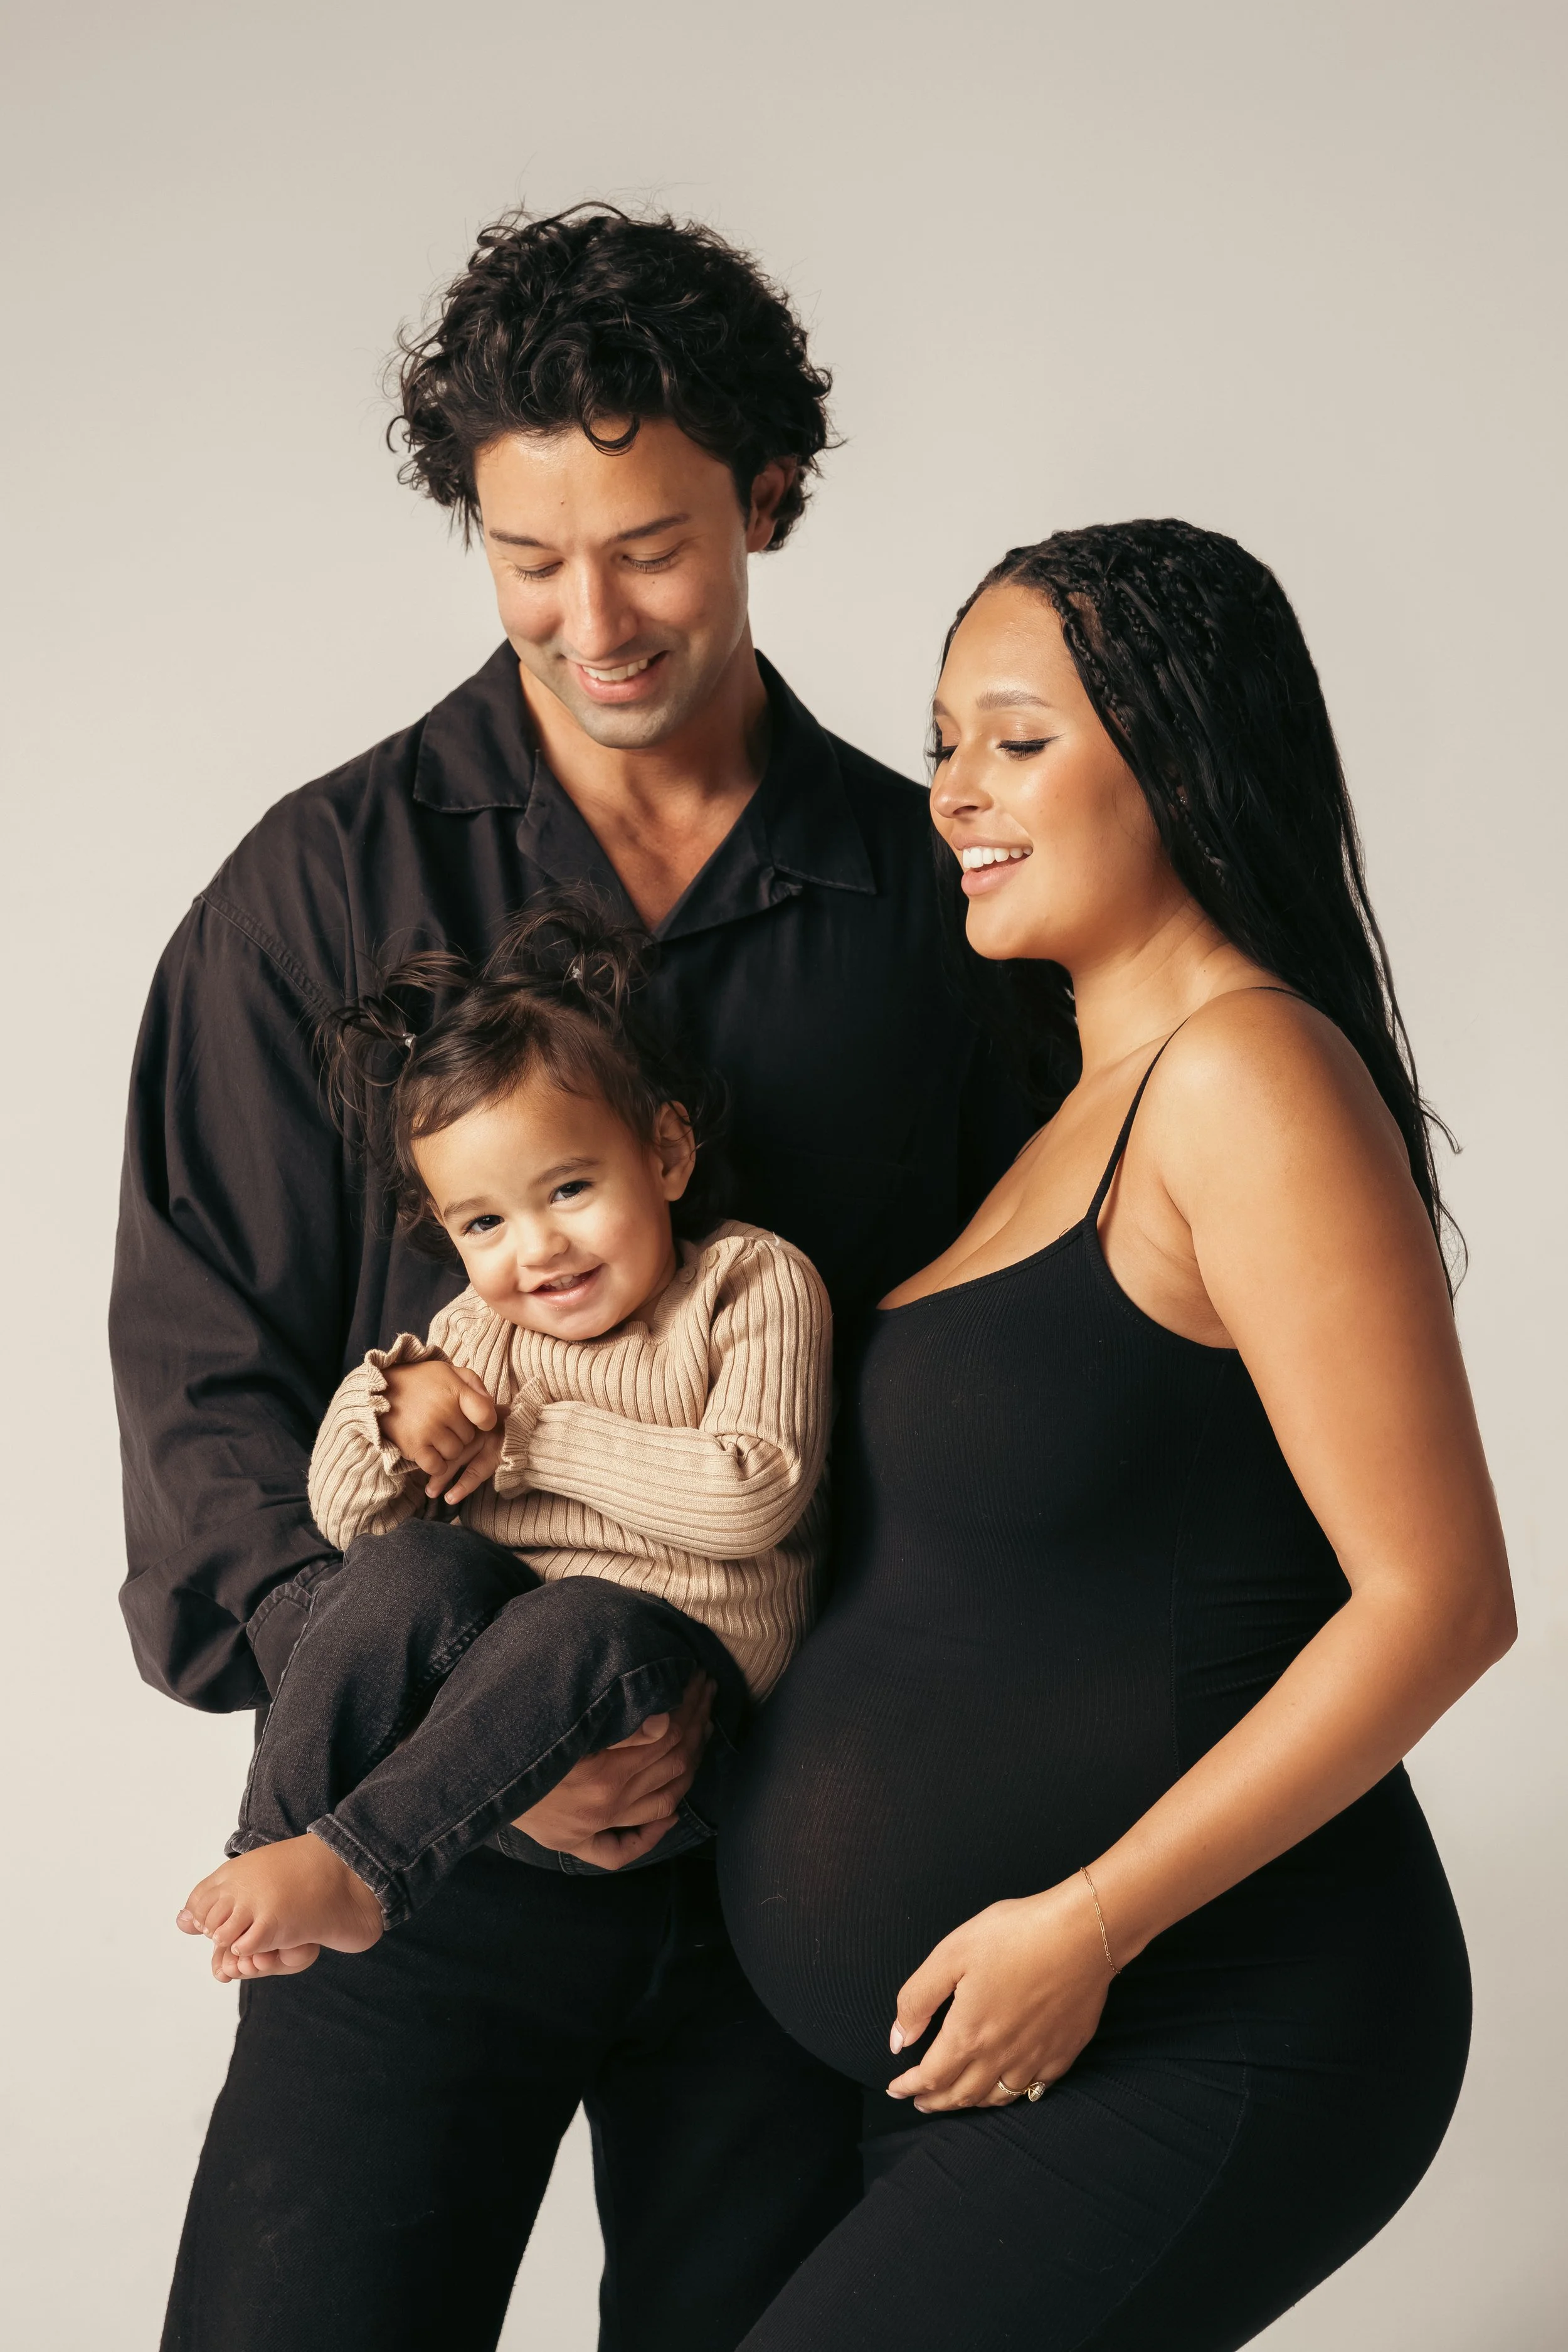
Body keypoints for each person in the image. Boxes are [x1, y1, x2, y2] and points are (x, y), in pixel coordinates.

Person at [110, 204, 1030, 2352]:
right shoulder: (310, 894)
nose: (590, 619)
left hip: (806, 1865)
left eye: (651, 549)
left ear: (768, 501)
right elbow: (201, 1389)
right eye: (530, 559)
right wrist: (467, 1726)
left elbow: (1033, 1371)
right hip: (405, 1854)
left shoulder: (940, 907)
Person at [719, 519, 1516, 2350]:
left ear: (1175, 755)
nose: (952, 792)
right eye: (939, 743)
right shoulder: (1067, 1107)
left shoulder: (1245, 1073)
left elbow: (1438, 1601)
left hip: (1202, 2011)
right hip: (1001, 2042)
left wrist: (1086, 1923)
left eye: (1015, 739)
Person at [177, 898, 831, 1979]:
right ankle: (279, 1846)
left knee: (577, 1614)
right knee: (408, 1564)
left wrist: (531, 1444)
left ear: (667, 1152)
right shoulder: (479, 1330)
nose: (538, 1249)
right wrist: (388, 1408)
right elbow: (350, 1521)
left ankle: (361, 1866)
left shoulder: (746, 1283)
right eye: (484, 1222)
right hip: (493, 1750)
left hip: (667, 1726)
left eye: (570, 1188)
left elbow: (750, 1493)